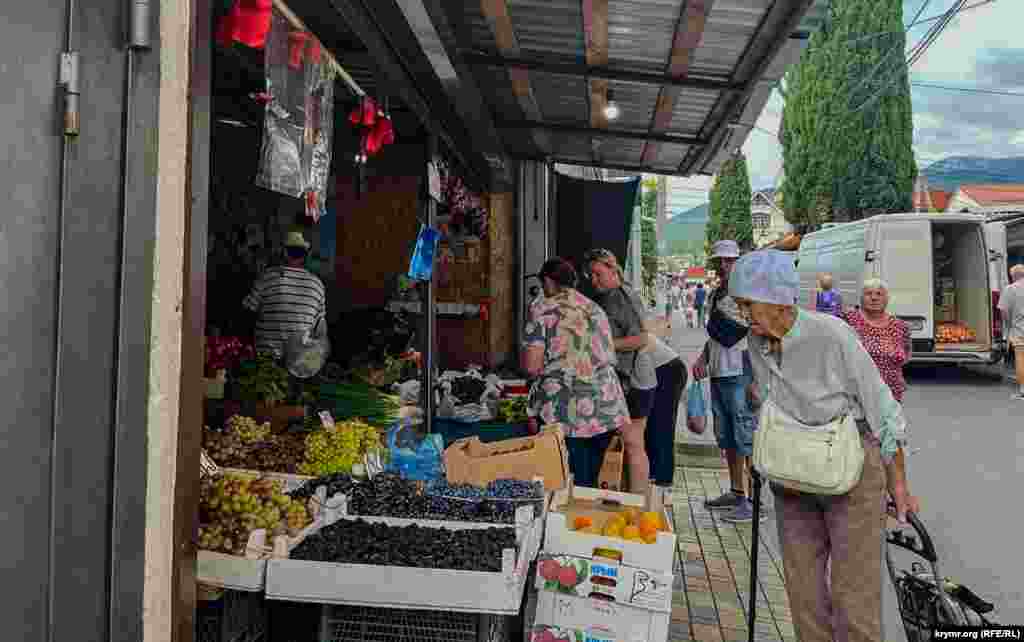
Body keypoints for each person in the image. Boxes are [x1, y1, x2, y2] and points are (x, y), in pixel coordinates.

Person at [728, 250, 921, 642]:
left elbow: (882, 409)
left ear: (779, 301)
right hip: (791, 470)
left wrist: (898, 483)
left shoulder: (831, 334)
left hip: (851, 466)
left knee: (854, 597)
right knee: (803, 593)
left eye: (748, 304)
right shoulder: (756, 341)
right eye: (740, 305)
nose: (743, 314)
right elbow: (769, 400)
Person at [521, 258, 630, 487]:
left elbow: (532, 365)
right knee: (587, 480)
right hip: (605, 406)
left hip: (566, 410)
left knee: (566, 479)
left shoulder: (541, 309)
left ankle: (569, 508)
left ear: (548, 282)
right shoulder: (594, 308)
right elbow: (607, 353)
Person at [692, 240, 759, 522]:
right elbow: (715, 337)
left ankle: (754, 502)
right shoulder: (717, 293)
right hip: (720, 371)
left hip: (741, 371)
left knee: (746, 437)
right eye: (720, 261)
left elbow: (760, 334)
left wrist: (757, 380)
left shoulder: (750, 293)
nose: (724, 265)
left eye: (729, 260)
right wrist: (703, 358)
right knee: (728, 438)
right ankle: (736, 492)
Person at [583, 248, 659, 493]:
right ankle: (634, 498)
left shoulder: (622, 297)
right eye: (590, 276)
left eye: (598, 274)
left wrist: (603, 345)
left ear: (613, 269)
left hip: (635, 380)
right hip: (631, 379)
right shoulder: (614, 295)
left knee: (633, 442)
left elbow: (642, 338)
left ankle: (638, 501)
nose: (594, 280)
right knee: (632, 442)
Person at [243, 231, 326, 359]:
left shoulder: (267, 277)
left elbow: (248, 311)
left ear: (284, 253)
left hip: (266, 359)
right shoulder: (318, 284)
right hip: (299, 361)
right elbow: (319, 327)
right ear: (305, 255)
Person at [842, 279, 912, 403]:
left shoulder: (900, 326)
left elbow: (906, 354)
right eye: (868, 294)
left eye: (879, 294)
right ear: (861, 298)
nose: (874, 298)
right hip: (856, 394)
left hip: (891, 394)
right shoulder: (848, 319)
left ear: (887, 299)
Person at [999, 264, 1024, 400]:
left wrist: (1008, 324)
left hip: (1019, 329)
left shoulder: (1010, 289)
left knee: (1021, 359)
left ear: (1013, 276)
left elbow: (1003, 311)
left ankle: (1023, 390)